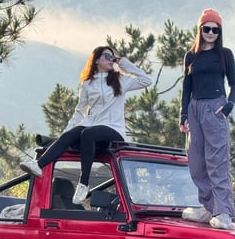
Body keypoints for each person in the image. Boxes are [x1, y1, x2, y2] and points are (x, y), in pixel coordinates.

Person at [20, 45, 152, 204]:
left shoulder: (120, 80)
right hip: (92, 125)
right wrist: (67, 133)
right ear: (96, 60)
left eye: (113, 57)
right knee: (73, 134)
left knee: (88, 133)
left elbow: (146, 80)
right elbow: (80, 111)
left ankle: (83, 183)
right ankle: (38, 165)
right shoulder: (88, 84)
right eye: (107, 57)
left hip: (113, 129)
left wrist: (122, 61)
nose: (111, 60)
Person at [179, 8, 235, 230]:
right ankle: (208, 207)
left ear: (219, 31)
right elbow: (186, 87)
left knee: (217, 161)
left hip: (215, 107)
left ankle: (223, 213)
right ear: (200, 29)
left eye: (215, 29)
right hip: (194, 108)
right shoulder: (191, 56)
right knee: (196, 161)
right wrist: (183, 114)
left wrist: (229, 105)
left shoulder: (225, 54)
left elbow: (234, 83)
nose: (211, 32)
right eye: (207, 28)